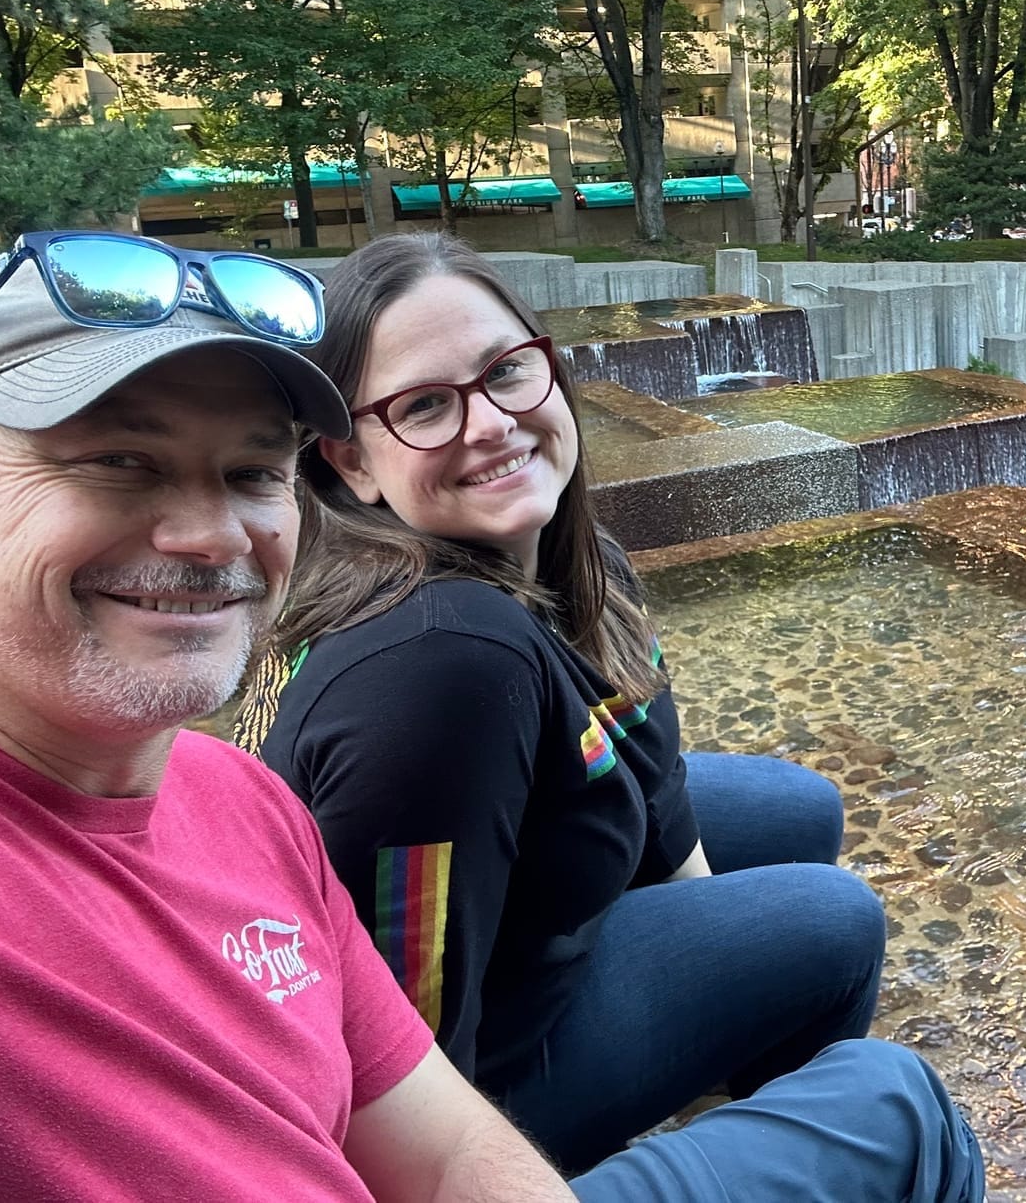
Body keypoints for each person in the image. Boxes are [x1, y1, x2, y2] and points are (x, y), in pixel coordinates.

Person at [0, 231, 984, 1203]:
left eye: (249, 473)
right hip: (504, 1042)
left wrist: (687, 906)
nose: (208, 536)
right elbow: (439, 1023)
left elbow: (426, 1126)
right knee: (877, 1061)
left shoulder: (233, 797)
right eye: (118, 463)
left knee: (794, 813)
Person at [247, 230, 894, 1171]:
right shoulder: (442, 667)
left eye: (506, 372)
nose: (489, 424)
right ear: (351, 462)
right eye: (425, 405)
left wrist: (715, 932)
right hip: (466, 1071)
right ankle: (816, 1156)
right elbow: (399, 1037)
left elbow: (653, 763)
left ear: (548, 369)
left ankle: (742, 1075)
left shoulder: (569, 557)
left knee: (802, 810)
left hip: (510, 898)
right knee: (832, 919)